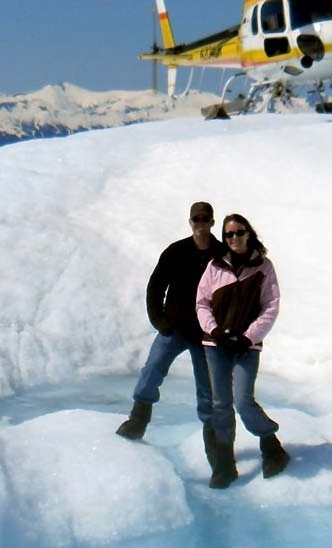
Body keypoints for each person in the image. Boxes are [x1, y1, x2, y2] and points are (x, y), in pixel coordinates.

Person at [117, 202, 226, 467]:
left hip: (205, 333)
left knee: (207, 390)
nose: (200, 223)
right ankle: (138, 420)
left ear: (212, 222)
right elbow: (155, 286)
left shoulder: (223, 254)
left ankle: (216, 454)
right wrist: (159, 320)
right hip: (174, 327)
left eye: (205, 219)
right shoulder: (176, 251)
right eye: (196, 219)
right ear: (190, 222)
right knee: (152, 369)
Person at [196, 213, 290, 489]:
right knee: (220, 404)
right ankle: (225, 464)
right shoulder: (215, 266)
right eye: (228, 234)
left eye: (238, 232)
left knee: (242, 400)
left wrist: (248, 338)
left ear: (248, 233)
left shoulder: (263, 267)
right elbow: (201, 303)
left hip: (246, 348)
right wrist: (214, 331)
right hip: (216, 345)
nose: (234, 238)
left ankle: (270, 444)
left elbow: (270, 306)